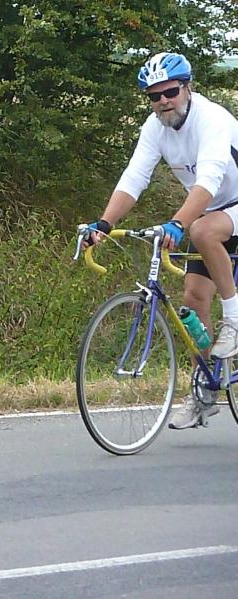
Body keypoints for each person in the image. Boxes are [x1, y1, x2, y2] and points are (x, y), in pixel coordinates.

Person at [84, 51, 238, 429]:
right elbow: (135, 177)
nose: (163, 101)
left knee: (201, 230)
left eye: (170, 92)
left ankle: (234, 322)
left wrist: (177, 223)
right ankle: (204, 390)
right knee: (193, 300)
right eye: (154, 96)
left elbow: (208, 181)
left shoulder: (213, 119)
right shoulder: (155, 129)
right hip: (214, 211)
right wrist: (104, 223)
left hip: (224, 207)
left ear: (187, 88)